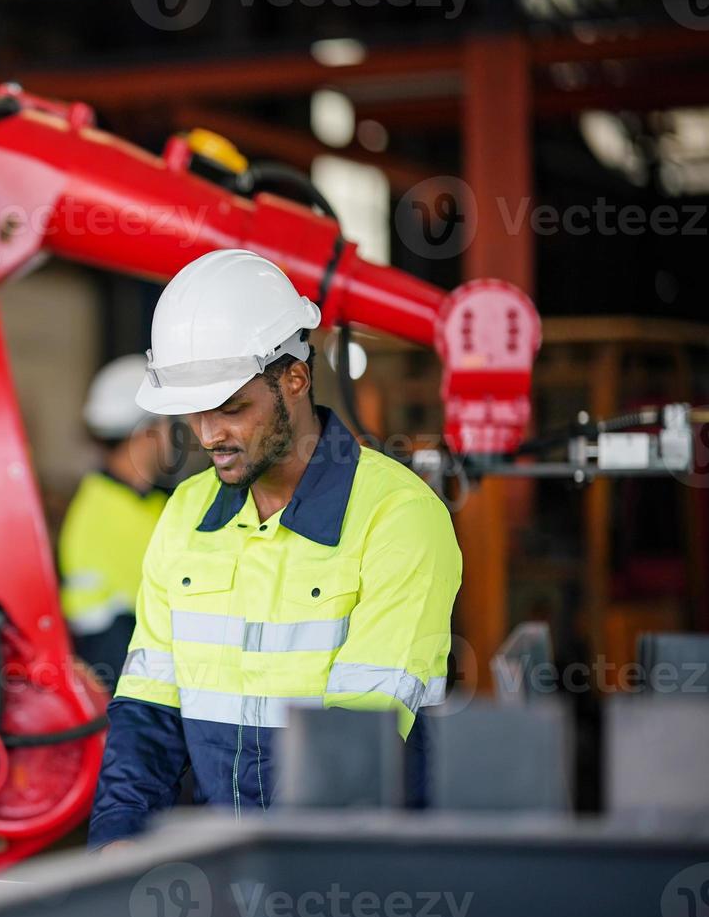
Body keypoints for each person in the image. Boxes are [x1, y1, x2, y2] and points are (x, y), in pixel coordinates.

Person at [88, 249, 461, 851]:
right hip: (233, 876)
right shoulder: (185, 513)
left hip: (357, 881)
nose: (209, 435)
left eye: (232, 408)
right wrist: (114, 854)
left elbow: (355, 746)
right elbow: (147, 719)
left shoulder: (398, 518)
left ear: (294, 377)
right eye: (195, 413)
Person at [58, 355, 172, 689]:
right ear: (144, 433)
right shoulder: (107, 516)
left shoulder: (136, 503)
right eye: (164, 424)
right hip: (126, 687)